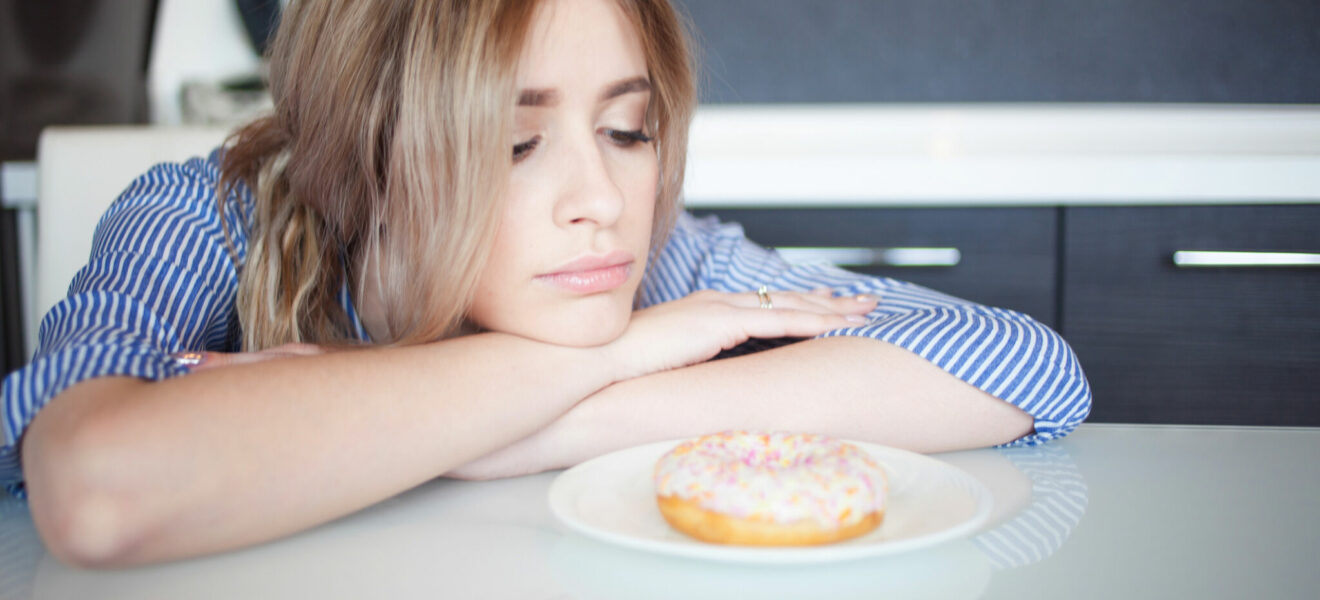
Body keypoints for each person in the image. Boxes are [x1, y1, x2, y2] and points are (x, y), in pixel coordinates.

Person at [1, 0, 1090, 568]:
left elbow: (1023, 368)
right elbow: (96, 491)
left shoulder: (652, 256)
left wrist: (524, 429)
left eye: (628, 129)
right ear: (367, 160)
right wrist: (604, 360)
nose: (602, 198)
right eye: (518, 144)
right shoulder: (204, 217)